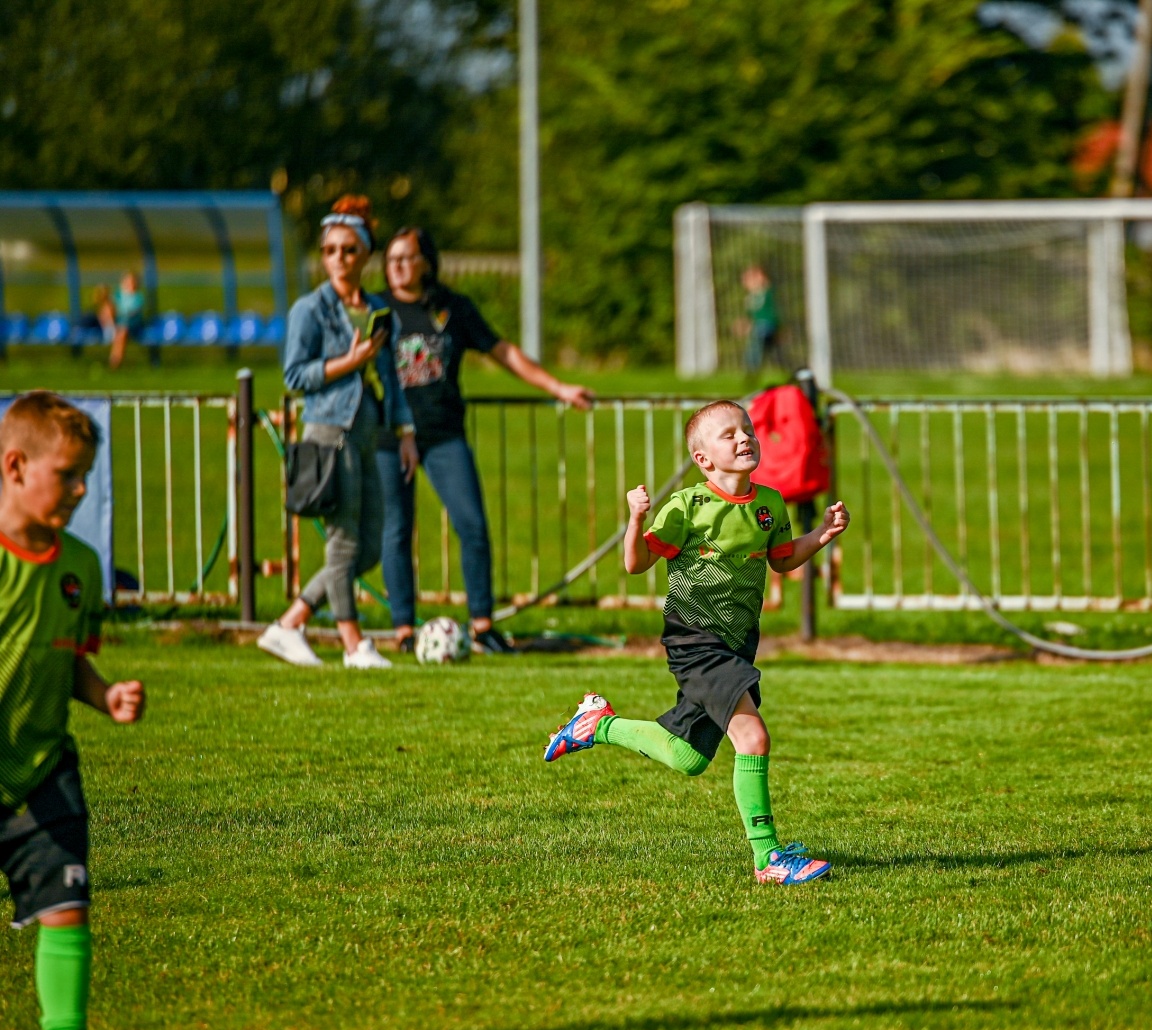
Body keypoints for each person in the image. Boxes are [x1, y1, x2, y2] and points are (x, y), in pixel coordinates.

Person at [542, 400, 850, 885]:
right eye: (728, 434)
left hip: (738, 644)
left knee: (687, 758)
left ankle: (597, 725)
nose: (743, 438)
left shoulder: (769, 504)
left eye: (746, 429)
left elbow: (784, 560)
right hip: (695, 639)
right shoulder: (687, 506)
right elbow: (636, 563)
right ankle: (769, 859)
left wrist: (824, 534)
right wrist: (636, 520)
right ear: (704, 459)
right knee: (753, 737)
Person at [0, 392, 146, 1030]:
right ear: (15, 466)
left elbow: (73, 658)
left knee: (67, 902)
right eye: (68, 473)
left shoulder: (81, 567)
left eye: (87, 473)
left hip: (45, 765)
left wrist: (105, 692)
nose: (83, 487)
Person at [378, 227, 594, 654]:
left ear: (427, 262)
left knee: (472, 525)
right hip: (390, 437)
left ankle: (482, 625)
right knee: (397, 529)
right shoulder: (376, 310)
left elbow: (504, 352)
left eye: (407, 257)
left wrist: (558, 388)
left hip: (443, 434)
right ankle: (403, 630)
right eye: (391, 260)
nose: (398, 267)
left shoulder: (453, 308)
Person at [256, 197, 418, 670]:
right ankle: (354, 645)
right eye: (330, 250)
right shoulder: (310, 309)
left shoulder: (376, 308)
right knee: (344, 541)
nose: (339, 259)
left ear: (365, 253)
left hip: (368, 433)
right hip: (329, 431)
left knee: (368, 543)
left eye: (349, 250)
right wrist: (352, 361)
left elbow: (393, 376)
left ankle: (289, 623)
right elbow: (294, 376)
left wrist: (405, 430)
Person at [737, 264, 780, 377]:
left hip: (767, 326)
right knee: (766, 348)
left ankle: (752, 368)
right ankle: (752, 369)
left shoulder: (767, 294)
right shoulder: (750, 298)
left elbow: (773, 313)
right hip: (759, 327)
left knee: (757, 345)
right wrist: (745, 324)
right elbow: (750, 316)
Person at [107, 273, 143, 370]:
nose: (129, 285)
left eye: (132, 283)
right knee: (119, 333)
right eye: (127, 282)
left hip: (131, 326)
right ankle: (109, 329)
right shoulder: (117, 296)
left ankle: (115, 362)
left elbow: (132, 313)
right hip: (117, 324)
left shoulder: (137, 298)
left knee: (122, 334)